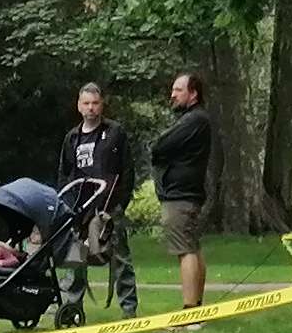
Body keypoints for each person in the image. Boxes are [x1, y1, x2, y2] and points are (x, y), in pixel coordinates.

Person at [58, 79, 138, 318]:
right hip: (79, 208)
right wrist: (67, 206)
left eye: (95, 103)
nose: (91, 108)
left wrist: (120, 204)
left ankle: (129, 309)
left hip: (109, 207)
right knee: (75, 259)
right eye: (86, 103)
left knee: (120, 258)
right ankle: (72, 308)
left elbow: (127, 170)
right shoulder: (72, 138)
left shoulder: (115, 133)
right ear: (79, 106)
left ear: (102, 105)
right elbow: (64, 174)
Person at [151, 70, 217, 312]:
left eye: (179, 90)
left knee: (185, 250)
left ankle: (190, 311)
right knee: (191, 247)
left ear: (193, 94)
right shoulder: (192, 119)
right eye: (173, 89)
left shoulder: (194, 120)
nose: (173, 94)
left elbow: (160, 146)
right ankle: (196, 307)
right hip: (185, 193)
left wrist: (160, 150)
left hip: (181, 195)